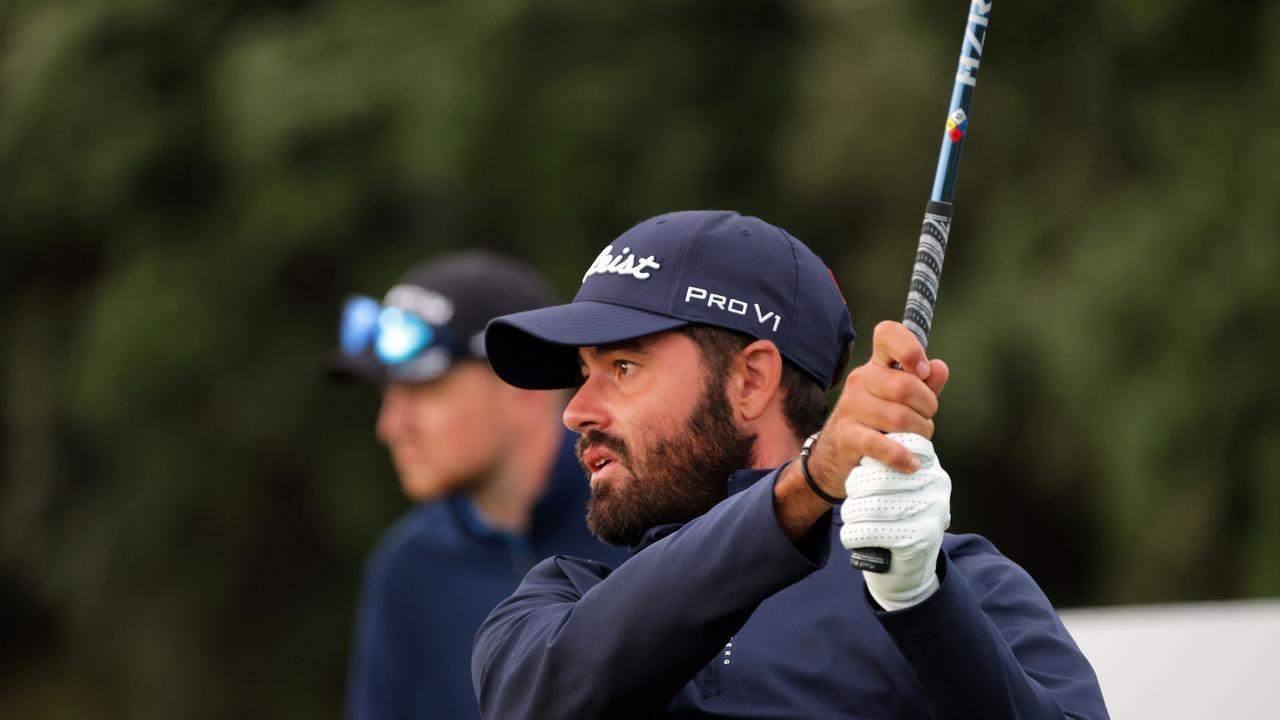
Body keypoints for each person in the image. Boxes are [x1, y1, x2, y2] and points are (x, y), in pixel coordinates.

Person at [471, 211, 1110, 718]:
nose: (576, 412)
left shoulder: (961, 583)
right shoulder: (558, 605)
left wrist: (921, 603)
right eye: (583, 374)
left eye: (623, 368)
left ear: (751, 381)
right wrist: (807, 482)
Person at [333, 252, 628, 720]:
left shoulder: (646, 533)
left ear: (524, 387)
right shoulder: (407, 571)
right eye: (388, 392)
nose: (391, 425)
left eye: (424, 389)